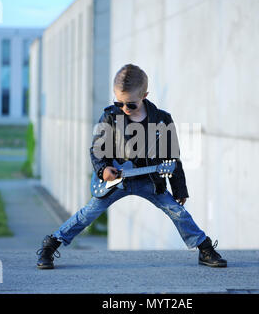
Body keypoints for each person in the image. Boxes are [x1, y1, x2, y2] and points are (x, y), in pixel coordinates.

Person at [36, 64, 227, 269]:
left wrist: (179, 188)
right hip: (116, 180)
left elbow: (173, 157)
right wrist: (103, 170)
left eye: (131, 105)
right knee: (87, 214)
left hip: (149, 180)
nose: (124, 108)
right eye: (119, 102)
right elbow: (96, 150)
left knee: (177, 211)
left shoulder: (162, 120)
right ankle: (51, 245)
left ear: (145, 95)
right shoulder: (110, 116)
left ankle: (205, 249)